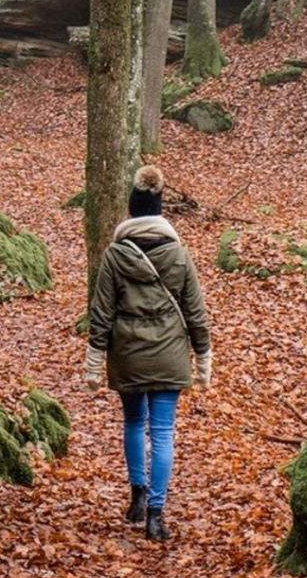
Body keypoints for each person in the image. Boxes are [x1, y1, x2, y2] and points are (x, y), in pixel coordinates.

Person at [84, 165, 212, 541]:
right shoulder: (179, 255)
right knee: (163, 432)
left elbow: (101, 313)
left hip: (128, 356)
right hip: (170, 356)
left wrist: (94, 362)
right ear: (159, 211)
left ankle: (137, 496)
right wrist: (203, 360)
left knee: (133, 423)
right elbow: (196, 313)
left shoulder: (114, 256)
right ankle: (156, 515)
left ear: (132, 209)